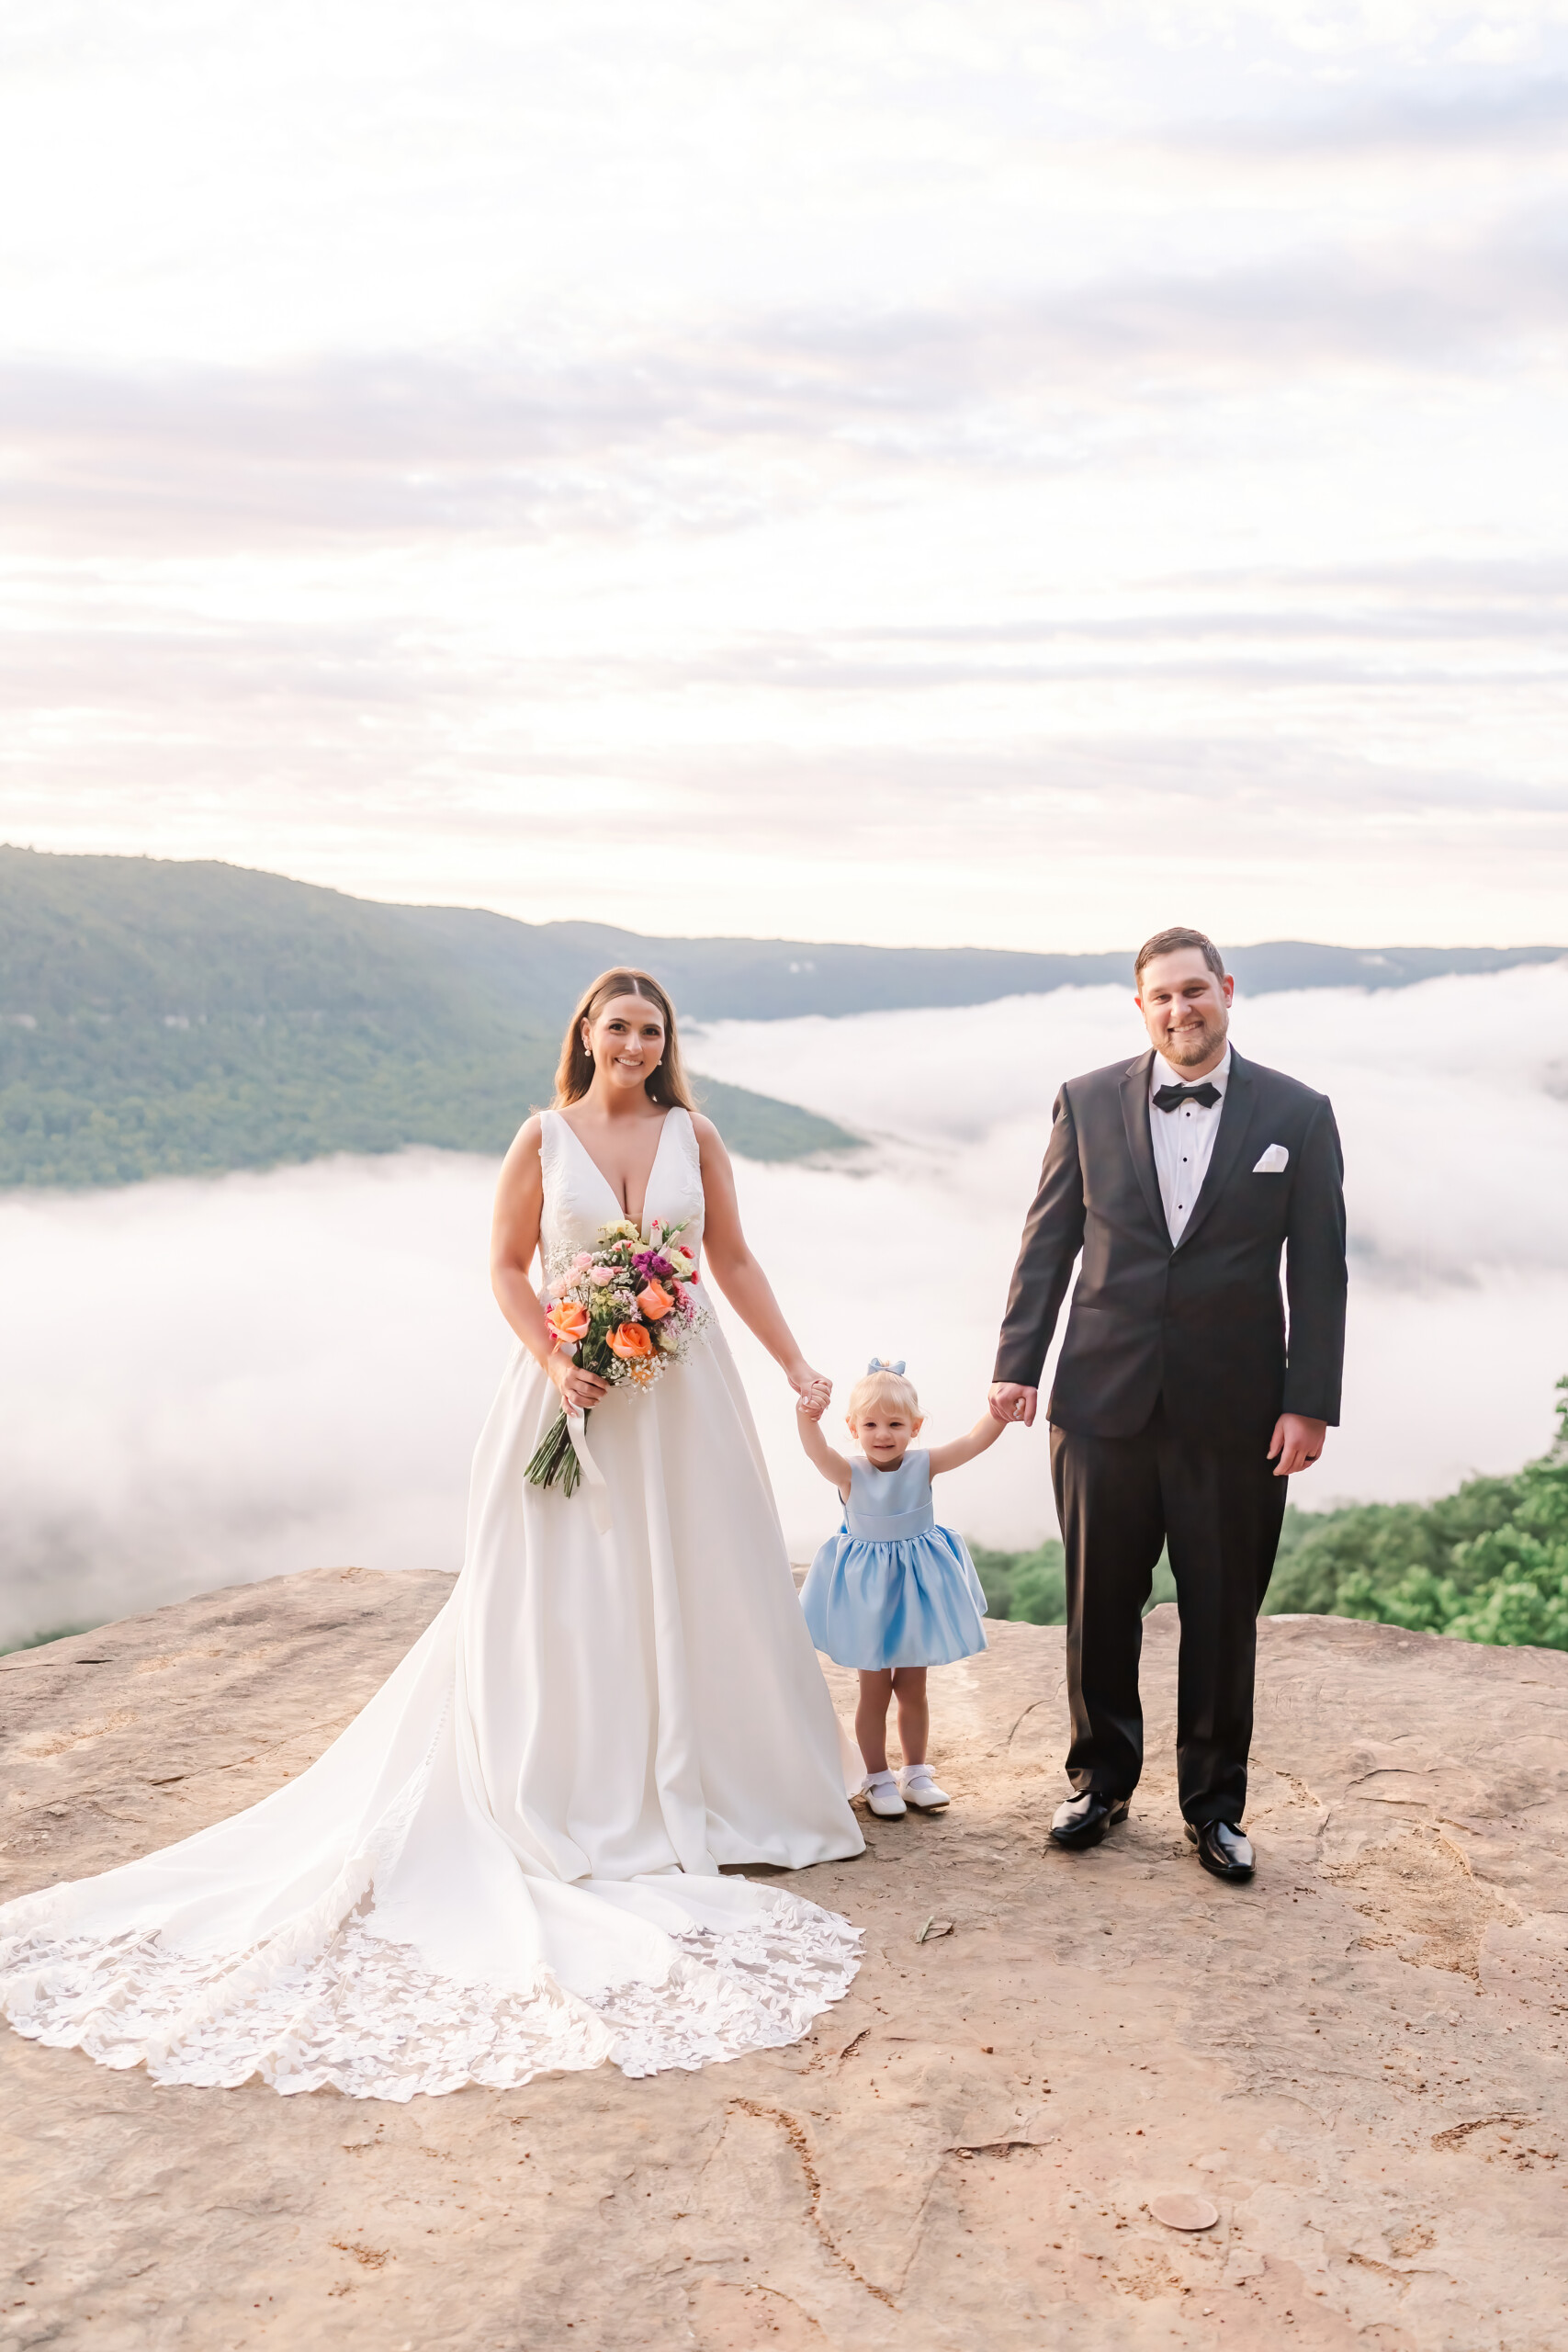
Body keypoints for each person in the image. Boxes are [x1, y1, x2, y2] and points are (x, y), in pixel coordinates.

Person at [0, 967, 865, 2098]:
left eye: (653, 1030)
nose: (636, 1044)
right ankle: (580, 1783)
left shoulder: (694, 1134)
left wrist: (794, 1361)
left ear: (667, 1042)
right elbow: (506, 1268)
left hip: (687, 1396)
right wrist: (562, 1353)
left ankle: (720, 1779)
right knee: (565, 1590)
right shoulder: (542, 1137)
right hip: (571, 1391)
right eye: (619, 1026)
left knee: (702, 1577)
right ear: (586, 1033)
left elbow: (729, 1259)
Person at [988, 926, 1347, 1883]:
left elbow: (1319, 1272)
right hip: (1100, 1403)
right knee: (1098, 1604)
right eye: (1162, 997)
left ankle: (1214, 1807)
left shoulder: (1299, 1113)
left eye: (1196, 991)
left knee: (1223, 1614)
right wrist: (1017, 1363)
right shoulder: (1085, 1100)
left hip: (1238, 1414)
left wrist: (1307, 1402)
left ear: (1225, 989)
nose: (1181, 1011)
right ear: (1140, 1006)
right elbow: (1048, 1241)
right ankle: (1099, 1782)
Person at [796, 1359, 1002, 1819]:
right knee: (875, 1690)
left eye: (894, 1424)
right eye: (870, 1424)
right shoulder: (848, 1473)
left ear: (915, 1426)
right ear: (852, 1427)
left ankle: (916, 1772)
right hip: (870, 1600)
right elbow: (816, 1453)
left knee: (913, 1686)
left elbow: (972, 1442)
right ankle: (876, 1776)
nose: (883, 1434)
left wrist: (999, 1412)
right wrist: (805, 1418)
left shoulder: (923, 1465)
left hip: (913, 1595)